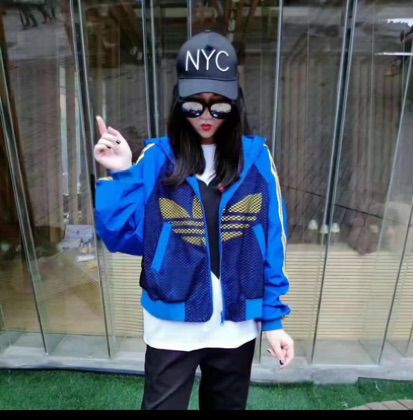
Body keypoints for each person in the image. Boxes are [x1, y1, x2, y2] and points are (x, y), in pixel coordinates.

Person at [94, 30, 294, 411]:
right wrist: (121, 174)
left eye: (218, 106)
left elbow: (272, 242)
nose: (206, 116)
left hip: (235, 324)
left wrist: (273, 320)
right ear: (178, 103)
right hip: (171, 322)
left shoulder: (257, 159)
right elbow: (123, 236)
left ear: (235, 105)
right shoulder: (156, 158)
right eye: (194, 105)